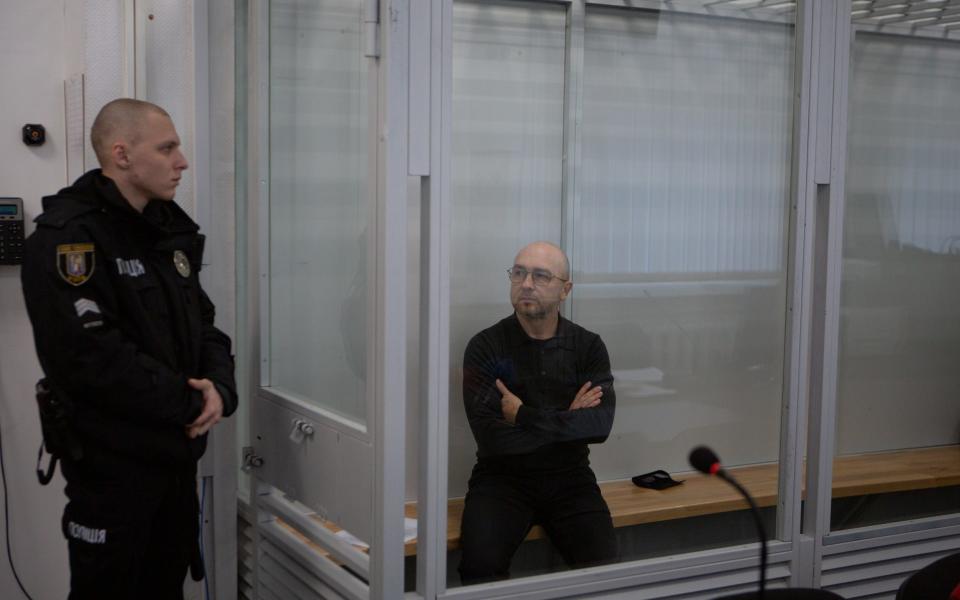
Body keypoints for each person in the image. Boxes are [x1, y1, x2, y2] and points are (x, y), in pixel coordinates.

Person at [20, 98, 237, 599]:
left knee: (165, 586)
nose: (181, 161)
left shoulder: (165, 230)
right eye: (167, 148)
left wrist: (221, 389)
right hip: (112, 470)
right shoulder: (69, 239)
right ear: (121, 154)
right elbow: (93, 359)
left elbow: (204, 326)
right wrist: (192, 402)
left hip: (175, 462)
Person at [458, 241, 618, 583]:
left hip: (570, 478)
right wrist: (568, 420)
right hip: (502, 479)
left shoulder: (588, 346)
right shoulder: (485, 346)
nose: (526, 283)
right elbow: (492, 437)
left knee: (605, 571)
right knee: (478, 570)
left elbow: (600, 425)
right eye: (519, 273)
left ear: (565, 289)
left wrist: (523, 415)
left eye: (540, 275)